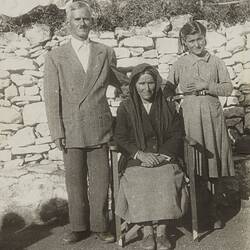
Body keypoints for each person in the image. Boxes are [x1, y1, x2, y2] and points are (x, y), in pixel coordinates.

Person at [43, 0, 128, 244]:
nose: (82, 23)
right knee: (75, 180)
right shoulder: (55, 56)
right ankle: (79, 227)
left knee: (100, 180)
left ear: (92, 21)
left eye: (86, 19)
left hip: (99, 125)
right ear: (68, 23)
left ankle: (101, 225)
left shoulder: (105, 51)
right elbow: (51, 97)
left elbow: (119, 81)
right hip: (71, 128)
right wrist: (57, 130)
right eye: (77, 19)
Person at [165, 20, 235, 229]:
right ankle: (197, 211)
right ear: (184, 43)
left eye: (200, 39)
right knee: (195, 163)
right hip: (191, 118)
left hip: (212, 119)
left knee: (213, 163)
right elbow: (167, 89)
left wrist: (207, 86)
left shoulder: (215, 62)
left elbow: (228, 88)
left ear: (205, 38)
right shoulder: (180, 64)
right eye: (191, 41)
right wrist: (175, 101)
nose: (197, 44)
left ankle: (214, 211)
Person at [114, 63, 189, 250]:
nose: (146, 88)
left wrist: (163, 155)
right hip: (136, 158)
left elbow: (176, 134)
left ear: (156, 83)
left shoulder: (169, 106)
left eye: (150, 83)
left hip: (165, 156)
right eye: (141, 83)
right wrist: (140, 154)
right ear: (134, 85)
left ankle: (162, 232)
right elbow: (120, 136)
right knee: (139, 180)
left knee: (165, 177)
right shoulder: (126, 107)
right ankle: (147, 232)